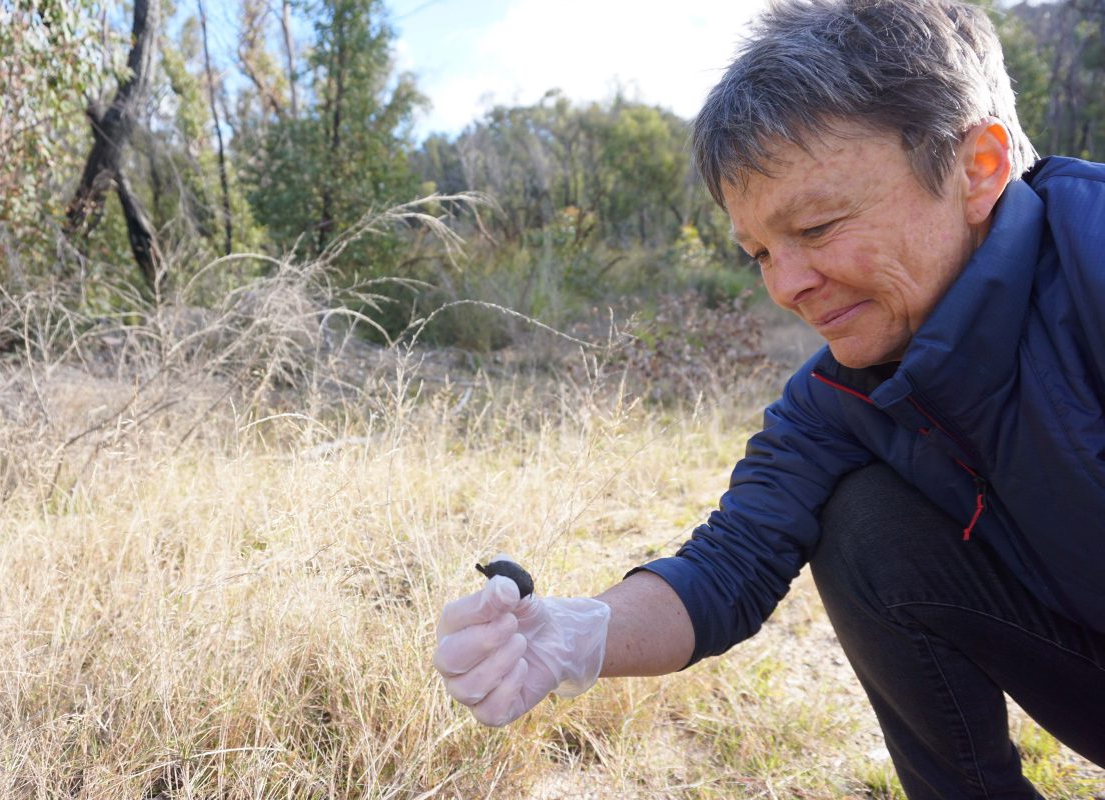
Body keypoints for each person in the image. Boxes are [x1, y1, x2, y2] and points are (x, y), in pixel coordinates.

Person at [432, 0, 1105, 796]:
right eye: (758, 252)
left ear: (978, 168)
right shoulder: (839, 393)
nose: (787, 286)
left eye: (817, 227)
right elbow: (727, 566)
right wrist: (576, 636)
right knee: (863, 524)